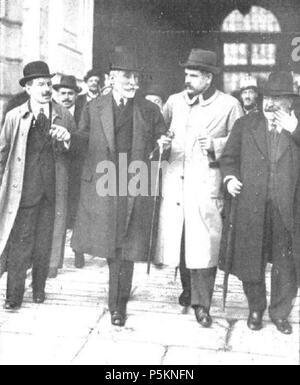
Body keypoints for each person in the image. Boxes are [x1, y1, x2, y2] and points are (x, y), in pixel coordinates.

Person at [70, 47, 167, 327]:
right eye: (127, 77)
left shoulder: (149, 109)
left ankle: (118, 305)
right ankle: (117, 299)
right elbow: (83, 138)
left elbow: (162, 135)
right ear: (112, 78)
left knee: (128, 244)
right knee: (112, 243)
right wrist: (68, 138)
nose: (134, 83)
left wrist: (163, 142)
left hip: (136, 179)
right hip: (106, 179)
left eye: (136, 78)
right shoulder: (94, 106)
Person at [155, 48, 243, 327]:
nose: (187, 79)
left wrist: (217, 145)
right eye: (186, 74)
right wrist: (162, 143)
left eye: (193, 75)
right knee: (182, 242)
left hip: (206, 188)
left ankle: (202, 304)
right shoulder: (173, 102)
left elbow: (242, 144)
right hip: (176, 186)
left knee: (204, 247)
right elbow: (160, 132)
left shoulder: (229, 105)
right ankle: (188, 290)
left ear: (208, 77)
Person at [219, 71, 300, 335]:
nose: (270, 104)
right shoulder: (245, 124)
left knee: (285, 264)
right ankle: (256, 308)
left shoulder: (296, 126)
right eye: (267, 98)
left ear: (290, 102)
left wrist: (295, 130)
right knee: (250, 260)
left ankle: (279, 312)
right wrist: (230, 178)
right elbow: (229, 158)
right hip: (251, 207)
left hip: (288, 210)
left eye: (277, 99)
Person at [0, 61, 73, 310]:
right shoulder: (14, 116)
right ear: (28, 88)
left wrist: (66, 139)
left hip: (52, 191)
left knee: (45, 243)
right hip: (23, 192)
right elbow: (3, 153)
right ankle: (13, 295)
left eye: (49, 84)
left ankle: (39, 289)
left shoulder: (64, 114)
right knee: (21, 243)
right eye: (41, 84)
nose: (46, 89)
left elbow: (74, 152)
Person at [54, 75, 87, 269]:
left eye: (70, 93)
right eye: (63, 93)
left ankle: (78, 252)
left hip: (78, 169)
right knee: (59, 212)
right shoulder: (53, 111)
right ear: (58, 94)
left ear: (76, 95)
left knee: (77, 212)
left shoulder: (84, 113)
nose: (66, 97)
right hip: (58, 169)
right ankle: (55, 259)